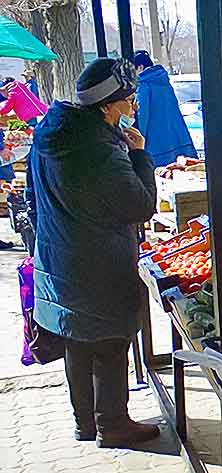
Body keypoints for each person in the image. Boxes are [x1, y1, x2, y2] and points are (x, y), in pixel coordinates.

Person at [29, 57, 160, 448]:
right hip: (98, 264)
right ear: (107, 106)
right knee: (109, 343)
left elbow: (35, 199)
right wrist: (140, 155)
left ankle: (85, 423)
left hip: (59, 257)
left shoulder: (51, 134)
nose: (134, 106)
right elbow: (139, 205)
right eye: (129, 99)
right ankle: (113, 425)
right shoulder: (100, 151)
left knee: (78, 341)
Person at [133, 50, 197, 167]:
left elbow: (143, 115)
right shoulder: (164, 81)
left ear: (140, 67)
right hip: (176, 139)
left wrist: (138, 139)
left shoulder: (143, 84)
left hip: (155, 144)